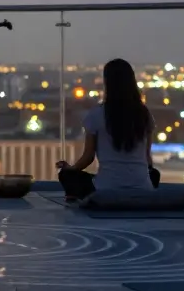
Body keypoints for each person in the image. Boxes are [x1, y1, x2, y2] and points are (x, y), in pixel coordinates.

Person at [55, 58, 160, 201]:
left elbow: (88, 157)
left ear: (107, 83)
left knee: (66, 175)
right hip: (142, 188)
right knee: (154, 174)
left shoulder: (97, 114)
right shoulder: (144, 114)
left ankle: (76, 195)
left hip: (105, 189)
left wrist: (70, 168)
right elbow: (147, 158)